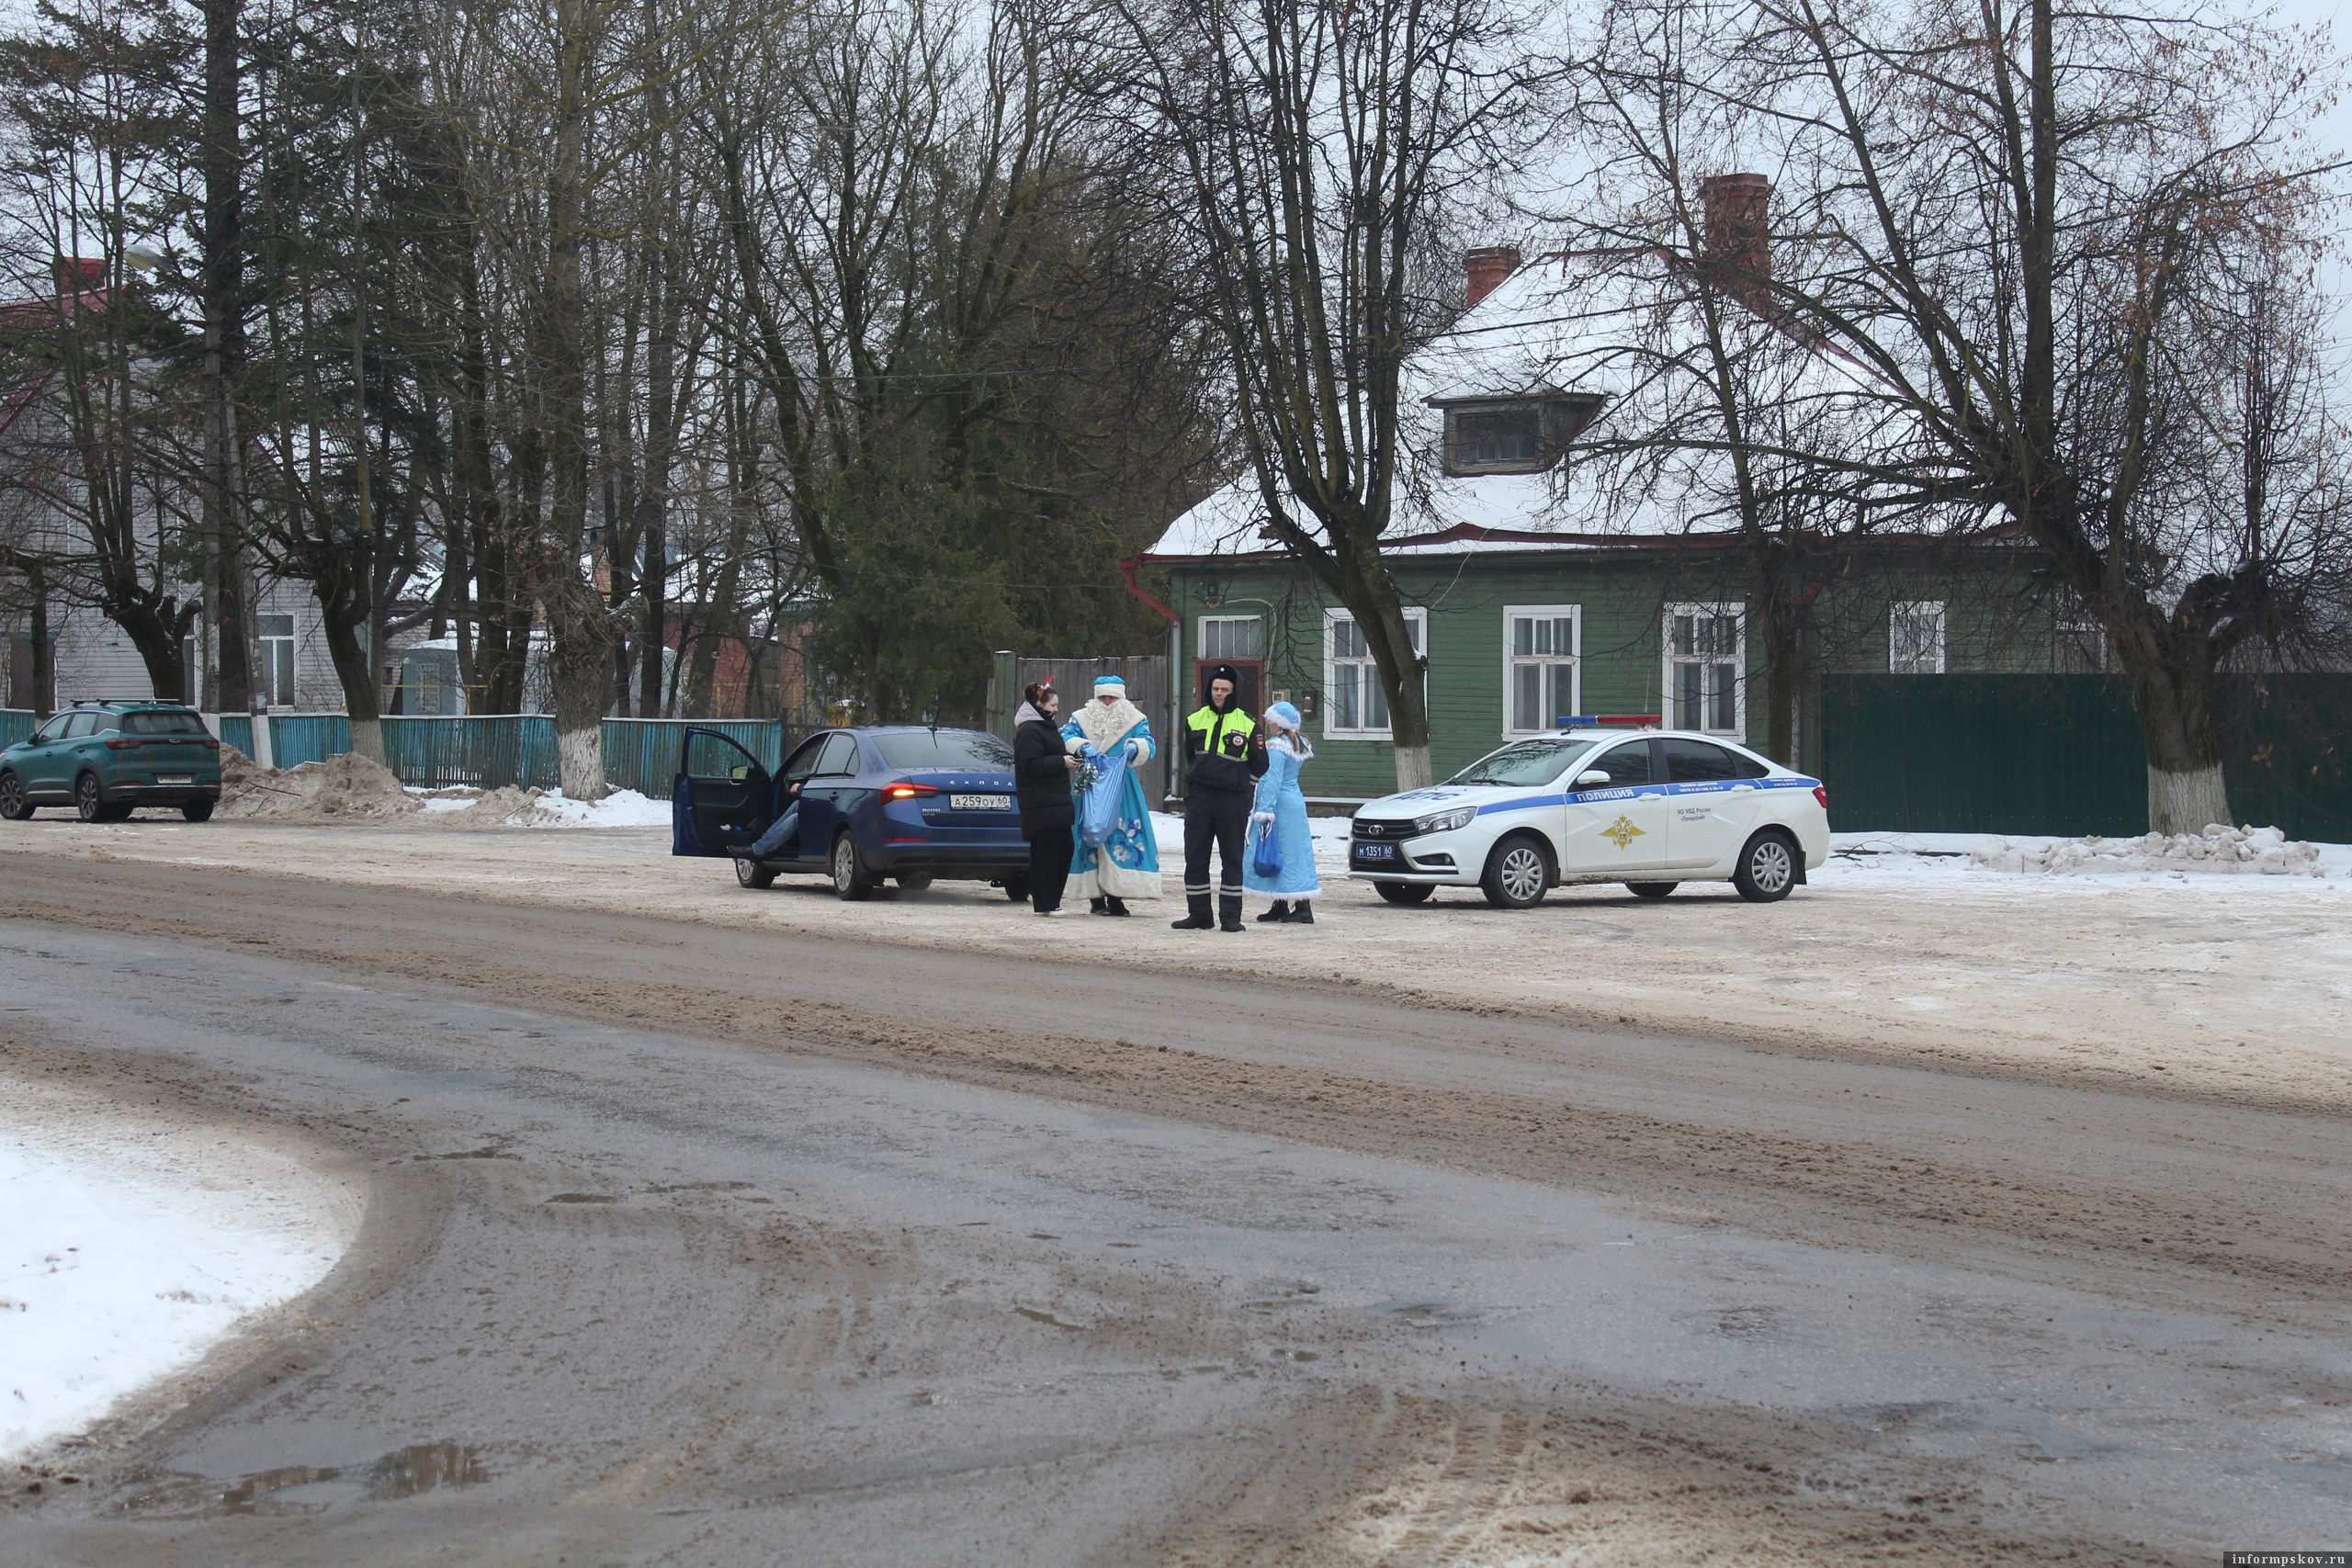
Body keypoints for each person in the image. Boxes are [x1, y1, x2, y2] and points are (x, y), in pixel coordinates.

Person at [1172, 662, 1265, 932]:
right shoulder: (1194, 719)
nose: (1219, 693)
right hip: (1200, 799)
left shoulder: (1248, 724)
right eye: (1215, 688)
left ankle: (1231, 917)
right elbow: (1191, 756)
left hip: (1232, 801)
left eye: (1224, 689)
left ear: (1234, 691)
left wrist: (1244, 790)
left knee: (1232, 859)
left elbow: (1260, 764)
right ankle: (1199, 915)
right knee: (1195, 857)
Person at [1060, 673, 1160, 916]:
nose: (1107, 702)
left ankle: (1117, 896)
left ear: (1120, 698)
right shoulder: (1080, 718)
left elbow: (1150, 743)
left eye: (1112, 698)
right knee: (1089, 833)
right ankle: (1095, 898)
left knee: (1119, 833)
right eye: (1103, 697)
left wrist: (1136, 747)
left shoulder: (1135, 719)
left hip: (1121, 786)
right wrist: (1081, 746)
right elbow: (1064, 735)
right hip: (1090, 783)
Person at [1244, 701, 1319, 923]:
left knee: (1282, 851)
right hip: (1294, 799)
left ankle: (1302, 908)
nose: (1267, 722)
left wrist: (1265, 810)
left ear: (1279, 722)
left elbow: (1271, 780)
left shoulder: (1276, 746)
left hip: (1279, 804)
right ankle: (1282, 904)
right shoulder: (1297, 742)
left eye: (1270, 718)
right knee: (1295, 852)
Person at [1012, 681, 1080, 916]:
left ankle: (1051, 900)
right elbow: (1029, 765)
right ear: (1038, 704)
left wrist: (1069, 757)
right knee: (1046, 856)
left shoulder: (1045, 728)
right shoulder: (1029, 730)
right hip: (1041, 804)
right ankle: (1044, 903)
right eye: (1052, 704)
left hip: (1055, 802)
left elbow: (1049, 757)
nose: (1056, 709)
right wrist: (1061, 761)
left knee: (1064, 850)